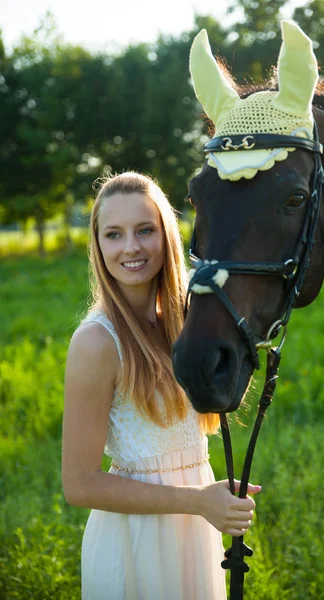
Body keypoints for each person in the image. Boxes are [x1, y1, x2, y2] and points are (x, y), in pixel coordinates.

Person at [62, 171, 261, 600]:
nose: (130, 247)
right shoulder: (96, 341)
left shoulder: (190, 319)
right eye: (113, 234)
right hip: (135, 543)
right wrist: (198, 501)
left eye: (144, 230)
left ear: (166, 235)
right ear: (97, 245)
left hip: (195, 533)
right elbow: (79, 485)